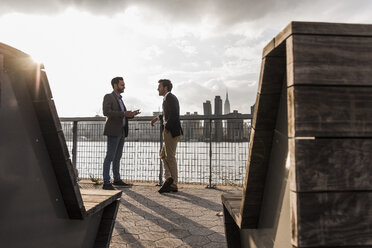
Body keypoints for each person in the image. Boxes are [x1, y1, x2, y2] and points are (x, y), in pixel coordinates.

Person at [102, 77, 140, 190]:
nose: (124, 87)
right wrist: (124, 113)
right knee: (110, 156)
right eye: (122, 85)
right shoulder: (108, 96)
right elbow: (106, 112)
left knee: (117, 157)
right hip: (114, 130)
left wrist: (131, 114)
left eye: (124, 85)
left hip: (122, 131)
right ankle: (106, 182)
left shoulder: (120, 99)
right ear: (115, 85)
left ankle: (117, 179)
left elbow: (122, 115)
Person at [151, 79, 183, 193]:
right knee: (163, 155)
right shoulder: (167, 99)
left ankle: (173, 184)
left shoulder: (170, 98)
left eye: (159, 86)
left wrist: (167, 127)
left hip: (171, 132)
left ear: (165, 88)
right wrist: (158, 118)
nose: (157, 89)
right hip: (170, 131)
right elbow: (167, 113)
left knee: (170, 157)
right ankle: (169, 178)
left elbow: (174, 114)